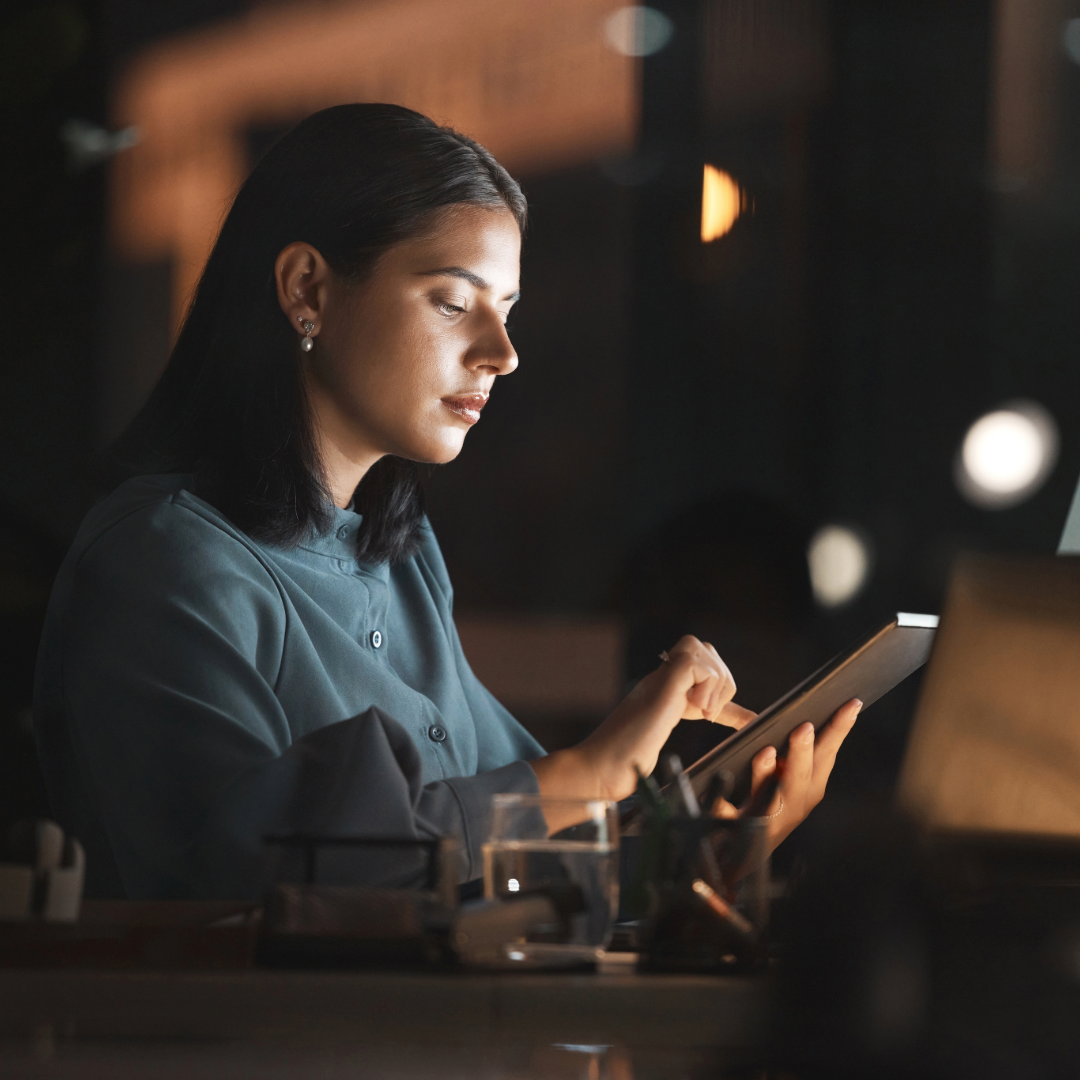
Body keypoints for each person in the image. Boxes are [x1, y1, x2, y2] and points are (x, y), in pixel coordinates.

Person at [33, 104, 860, 900]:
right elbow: (246, 890)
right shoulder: (165, 563)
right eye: (454, 302)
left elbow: (512, 856)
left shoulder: (400, 557)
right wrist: (588, 773)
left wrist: (706, 855)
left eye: (506, 312)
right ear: (307, 289)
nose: (501, 354)